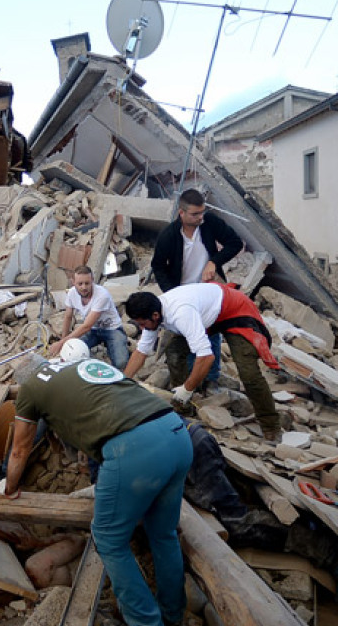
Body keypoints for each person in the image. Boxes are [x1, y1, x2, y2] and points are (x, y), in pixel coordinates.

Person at [3, 356, 192, 626]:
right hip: (176, 432)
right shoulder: (79, 364)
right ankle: (175, 621)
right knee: (164, 535)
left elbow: (20, 448)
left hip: (134, 449)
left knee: (108, 539)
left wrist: (10, 487)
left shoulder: (30, 388)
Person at [123, 283, 282, 441]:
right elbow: (141, 351)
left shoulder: (181, 314)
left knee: (248, 373)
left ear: (155, 315)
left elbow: (206, 357)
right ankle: (182, 408)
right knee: (174, 353)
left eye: (143, 324)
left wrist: (187, 388)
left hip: (234, 310)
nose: (142, 329)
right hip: (206, 314)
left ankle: (271, 426)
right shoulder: (153, 313)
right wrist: (122, 382)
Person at [150, 189, 244, 390]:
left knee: (212, 333)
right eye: (195, 214)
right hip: (182, 292)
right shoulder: (168, 235)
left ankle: (210, 380)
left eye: (202, 212)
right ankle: (189, 382)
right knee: (186, 337)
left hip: (208, 291)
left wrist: (213, 261)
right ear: (181, 213)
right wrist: (171, 293)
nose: (200, 217)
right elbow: (157, 265)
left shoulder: (209, 223)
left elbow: (235, 243)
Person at [47, 266, 130, 369]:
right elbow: (68, 316)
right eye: (80, 284)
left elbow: (86, 326)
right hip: (93, 330)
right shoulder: (72, 293)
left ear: (92, 281)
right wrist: (65, 342)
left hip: (112, 329)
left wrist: (60, 343)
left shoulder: (102, 295)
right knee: (73, 354)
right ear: (73, 282)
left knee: (120, 363)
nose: (84, 287)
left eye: (87, 283)